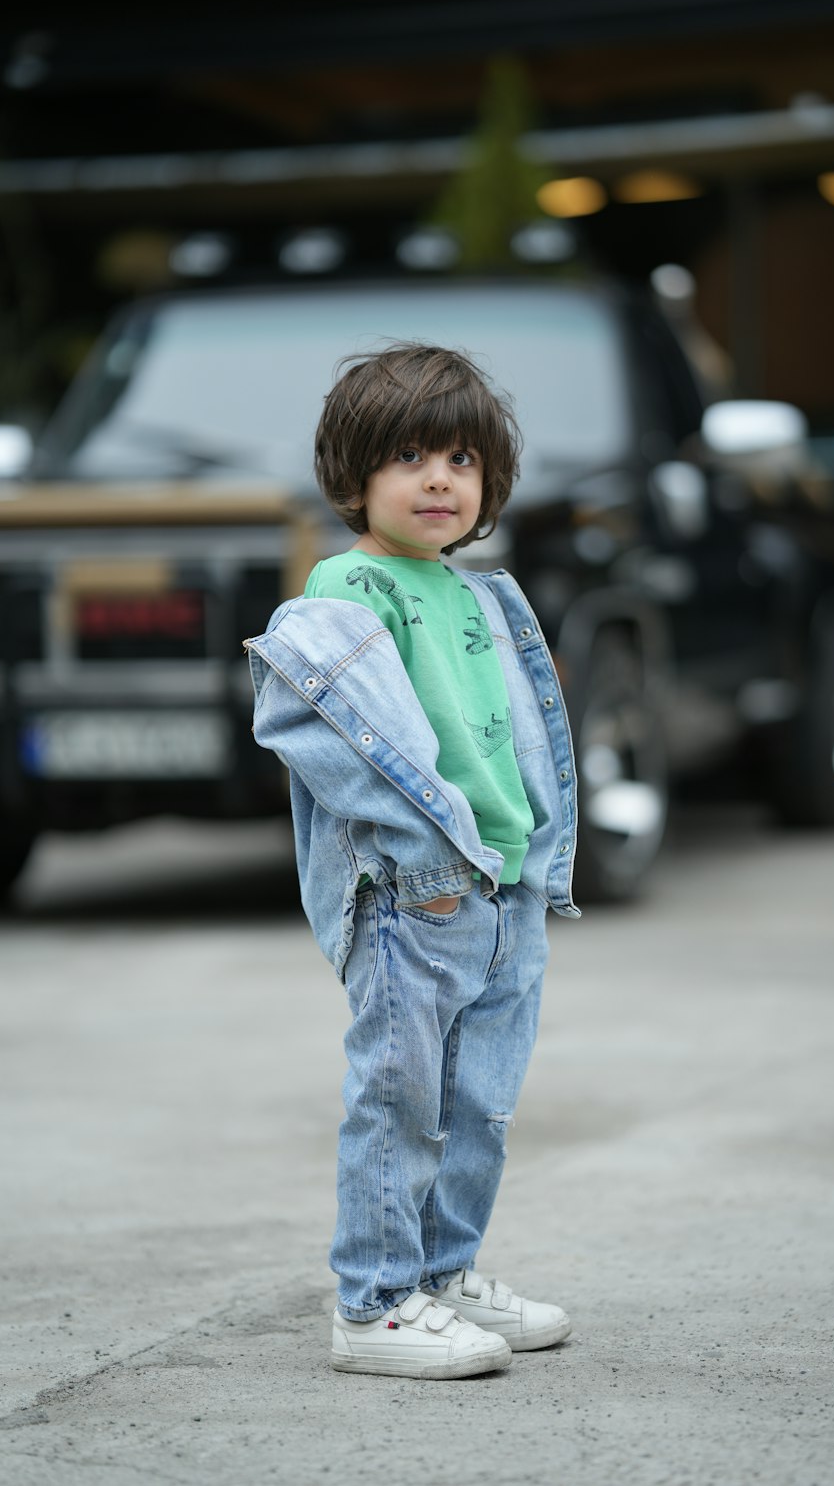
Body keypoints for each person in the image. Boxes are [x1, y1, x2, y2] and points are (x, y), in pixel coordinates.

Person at [245, 342, 580, 1379]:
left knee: (479, 1100)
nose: (440, 480)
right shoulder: (345, 590)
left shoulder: (479, 596)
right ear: (354, 477)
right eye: (409, 458)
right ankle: (376, 1301)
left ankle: (442, 1274)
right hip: (415, 893)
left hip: (501, 884)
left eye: (461, 461)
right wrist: (417, 853)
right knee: (402, 1097)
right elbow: (329, 738)